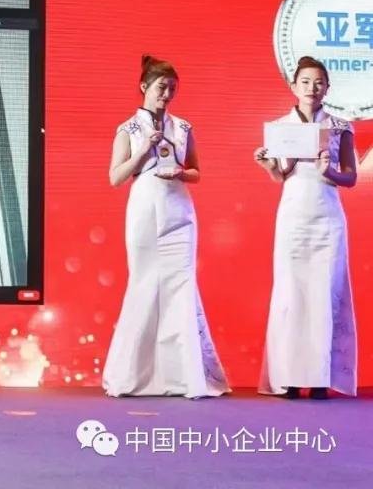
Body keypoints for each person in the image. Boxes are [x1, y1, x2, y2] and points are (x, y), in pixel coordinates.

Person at [101, 55, 229, 398]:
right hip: (144, 209)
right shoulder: (128, 129)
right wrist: (142, 152)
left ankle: (186, 376)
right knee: (144, 282)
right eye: (161, 87)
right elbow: (115, 177)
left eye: (172, 88)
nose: (167, 94)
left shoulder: (183, 128)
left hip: (178, 210)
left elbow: (196, 171)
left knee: (181, 284)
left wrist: (181, 173)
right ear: (144, 86)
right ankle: (133, 374)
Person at [254, 56, 358, 399]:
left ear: (327, 87)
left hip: (328, 218)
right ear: (293, 86)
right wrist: (268, 165)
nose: (312, 88)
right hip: (294, 216)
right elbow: (281, 175)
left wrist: (330, 172)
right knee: (291, 293)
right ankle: (290, 377)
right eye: (305, 82)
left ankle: (320, 378)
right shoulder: (281, 127)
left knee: (324, 294)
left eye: (319, 82)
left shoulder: (340, 126)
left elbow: (351, 177)